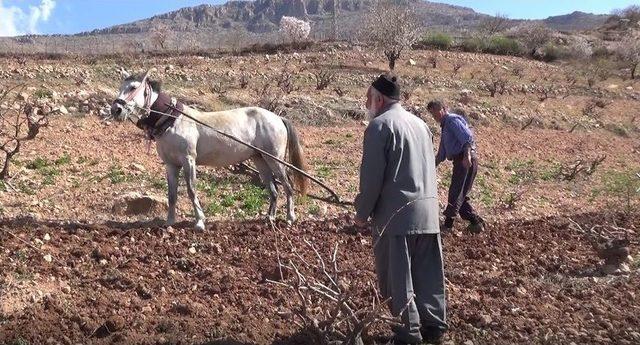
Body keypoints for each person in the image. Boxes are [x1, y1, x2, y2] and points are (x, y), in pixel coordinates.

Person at [355, 75, 447, 344]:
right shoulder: (421, 125)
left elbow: (371, 179)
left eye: (368, 97)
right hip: (429, 214)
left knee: (398, 278)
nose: (366, 103)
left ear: (379, 99)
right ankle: (434, 326)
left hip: (396, 218)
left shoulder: (379, 127)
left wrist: (361, 213)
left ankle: (409, 333)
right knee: (428, 272)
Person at [426, 100, 484, 233]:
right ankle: (476, 222)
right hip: (460, 160)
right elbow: (441, 153)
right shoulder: (445, 126)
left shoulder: (452, 120)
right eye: (433, 114)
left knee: (456, 191)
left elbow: (467, 138)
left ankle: (448, 225)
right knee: (460, 193)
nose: (436, 116)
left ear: (444, 109)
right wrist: (430, 167)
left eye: (437, 111)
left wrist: (467, 156)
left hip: (464, 159)